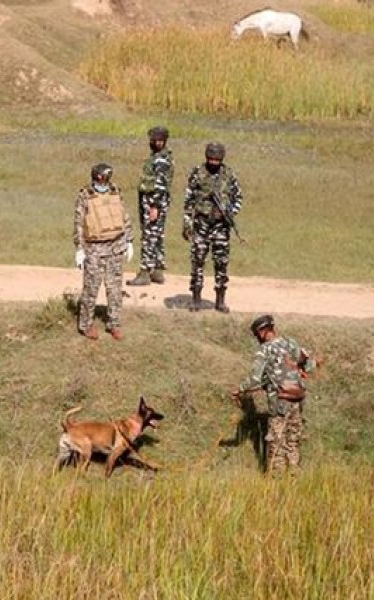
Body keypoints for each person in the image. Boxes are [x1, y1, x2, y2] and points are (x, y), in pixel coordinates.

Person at [234, 314, 315, 476]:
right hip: (297, 400)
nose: (257, 339)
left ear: (262, 332)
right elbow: (309, 366)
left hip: (279, 402)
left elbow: (255, 379)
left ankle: (276, 479)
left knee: (276, 442)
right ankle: (294, 476)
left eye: (257, 335)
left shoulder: (264, 350)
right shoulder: (290, 343)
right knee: (293, 440)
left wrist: (240, 389)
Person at [73, 163, 134, 341]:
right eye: (104, 177)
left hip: (115, 246)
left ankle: (114, 324)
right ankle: (86, 324)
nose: (106, 181)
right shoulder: (85, 195)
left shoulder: (115, 191)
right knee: (91, 289)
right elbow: (79, 222)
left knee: (114, 289)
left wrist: (129, 240)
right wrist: (79, 248)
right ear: (97, 177)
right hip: (94, 249)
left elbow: (124, 216)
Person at [182, 142, 243, 312]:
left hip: (221, 227)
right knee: (198, 261)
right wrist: (187, 224)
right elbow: (189, 200)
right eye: (211, 159)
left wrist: (229, 213)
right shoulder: (198, 173)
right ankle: (196, 299)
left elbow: (238, 198)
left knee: (221, 263)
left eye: (217, 159)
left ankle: (220, 300)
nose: (214, 162)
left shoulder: (229, 175)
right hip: (201, 224)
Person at [127, 126, 174, 287]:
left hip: (154, 202)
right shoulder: (160, 157)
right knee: (157, 235)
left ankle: (145, 272)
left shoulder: (161, 160)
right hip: (155, 201)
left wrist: (154, 206)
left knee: (149, 236)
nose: (153, 142)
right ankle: (158, 270)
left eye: (155, 140)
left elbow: (160, 185)